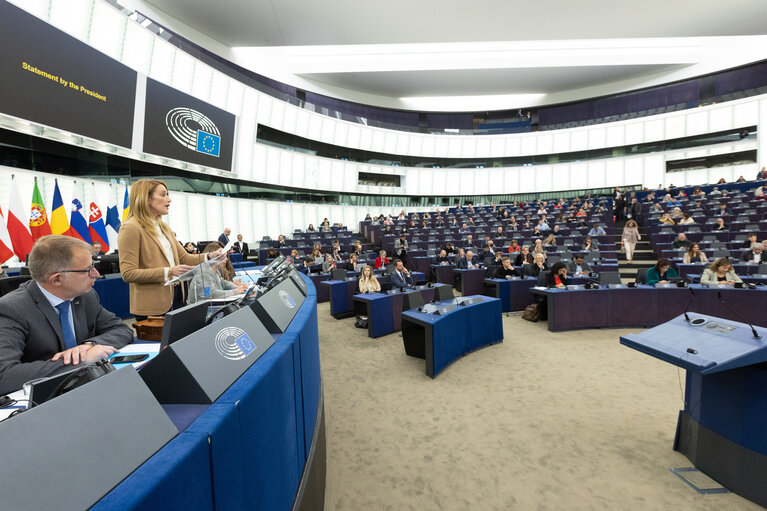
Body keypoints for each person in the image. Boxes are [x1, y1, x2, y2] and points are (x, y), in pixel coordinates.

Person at [0, 235, 133, 394]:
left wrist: (89, 346)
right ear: (57, 279)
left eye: (94, 266)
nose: (96, 274)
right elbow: (5, 376)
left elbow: (122, 330)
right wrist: (81, 360)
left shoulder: (86, 296)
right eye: (88, 270)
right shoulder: (11, 309)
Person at [118, 179, 219, 320]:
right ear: (146, 198)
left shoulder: (164, 227)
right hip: (152, 306)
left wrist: (210, 256)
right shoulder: (131, 228)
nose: (169, 200)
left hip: (177, 297)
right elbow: (128, 273)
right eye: (163, 195)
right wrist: (169, 271)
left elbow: (185, 258)